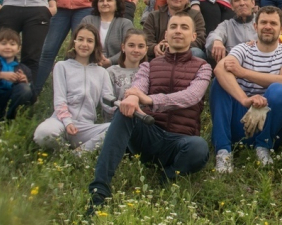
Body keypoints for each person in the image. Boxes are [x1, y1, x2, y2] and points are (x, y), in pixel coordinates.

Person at [87, 12, 212, 213]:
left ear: (193, 36)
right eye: (174, 27)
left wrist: (150, 100)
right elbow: (138, 88)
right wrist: (133, 98)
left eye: (184, 27)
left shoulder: (203, 67)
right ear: (166, 34)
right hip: (150, 134)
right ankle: (98, 193)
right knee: (125, 111)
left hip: (180, 143)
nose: (178, 31)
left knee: (199, 147)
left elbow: (191, 96)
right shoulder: (148, 65)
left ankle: (167, 177)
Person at [210, 6, 282, 173]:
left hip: (270, 121)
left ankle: (263, 147)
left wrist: (242, 72)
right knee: (219, 83)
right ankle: (223, 151)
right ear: (255, 27)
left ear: (281, 29)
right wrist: (244, 99)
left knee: (278, 90)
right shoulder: (243, 48)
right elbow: (219, 69)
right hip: (241, 119)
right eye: (263, 22)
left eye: (273, 23)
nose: (268, 26)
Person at [33, 25, 112, 151]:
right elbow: (59, 99)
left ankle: (78, 154)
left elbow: (108, 104)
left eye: (89, 41)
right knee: (43, 133)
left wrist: (123, 106)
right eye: (80, 39)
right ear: (74, 42)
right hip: (60, 122)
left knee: (115, 129)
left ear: (95, 45)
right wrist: (68, 122)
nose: (84, 44)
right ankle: (64, 151)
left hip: (85, 127)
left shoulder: (102, 73)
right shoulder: (62, 66)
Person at [143, 0, 207, 60]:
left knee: (196, 52)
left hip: (186, 54)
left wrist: (177, 47)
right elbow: (146, 40)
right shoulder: (153, 16)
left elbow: (200, 39)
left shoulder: (195, 15)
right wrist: (155, 48)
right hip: (160, 55)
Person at [204, 0, 258, 66]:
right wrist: (216, 40)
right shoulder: (226, 25)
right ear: (231, 6)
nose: (242, 3)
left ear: (253, 3)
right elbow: (214, 35)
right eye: (237, 0)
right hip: (232, 69)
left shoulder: (262, 22)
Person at [80, 0, 135, 67]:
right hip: (89, 64)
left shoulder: (125, 24)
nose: (105, 3)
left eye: (109, 0)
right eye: (101, 1)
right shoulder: (88, 20)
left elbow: (129, 48)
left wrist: (110, 61)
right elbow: (80, 43)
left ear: (116, 5)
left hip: (116, 66)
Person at [105, 28, 148, 121]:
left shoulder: (149, 73)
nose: (136, 50)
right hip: (115, 122)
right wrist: (125, 111)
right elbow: (106, 102)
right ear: (123, 47)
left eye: (141, 46)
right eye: (131, 45)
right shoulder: (111, 72)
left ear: (146, 50)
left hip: (143, 122)